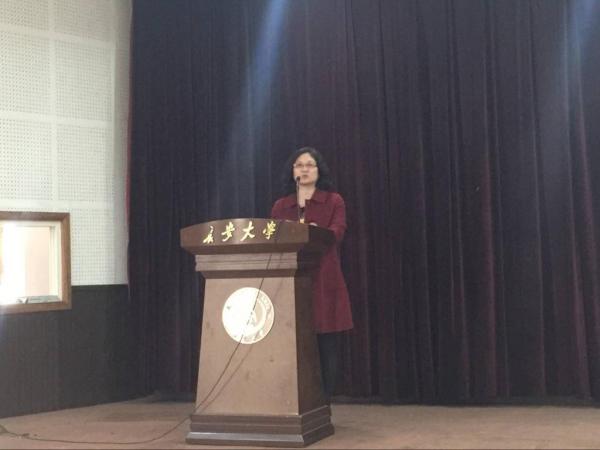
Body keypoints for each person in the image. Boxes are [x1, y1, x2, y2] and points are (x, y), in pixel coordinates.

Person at [270, 147, 353, 398]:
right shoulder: (281, 206)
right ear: (292, 171)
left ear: (319, 171)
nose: (304, 169)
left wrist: (315, 232)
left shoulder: (333, 201)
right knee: (293, 343)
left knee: (326, 344)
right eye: (299, 165)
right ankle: (294, 401)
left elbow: (337, 232)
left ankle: (323, 402)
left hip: (324, 279)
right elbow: (272, 236)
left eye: (309, 165)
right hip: (290, 279)